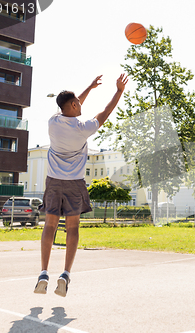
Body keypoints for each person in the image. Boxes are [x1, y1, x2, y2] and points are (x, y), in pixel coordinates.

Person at [34, 74, 128, 297]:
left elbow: (72, 105)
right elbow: (105, 113)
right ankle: (65, 274)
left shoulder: (53, 122)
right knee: (73, 228)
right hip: (75, 183)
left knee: (50, 225)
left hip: (54, 181)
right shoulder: (83, 128)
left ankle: (43, 273)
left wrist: (89, 88)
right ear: (75, 104)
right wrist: (118, 91)